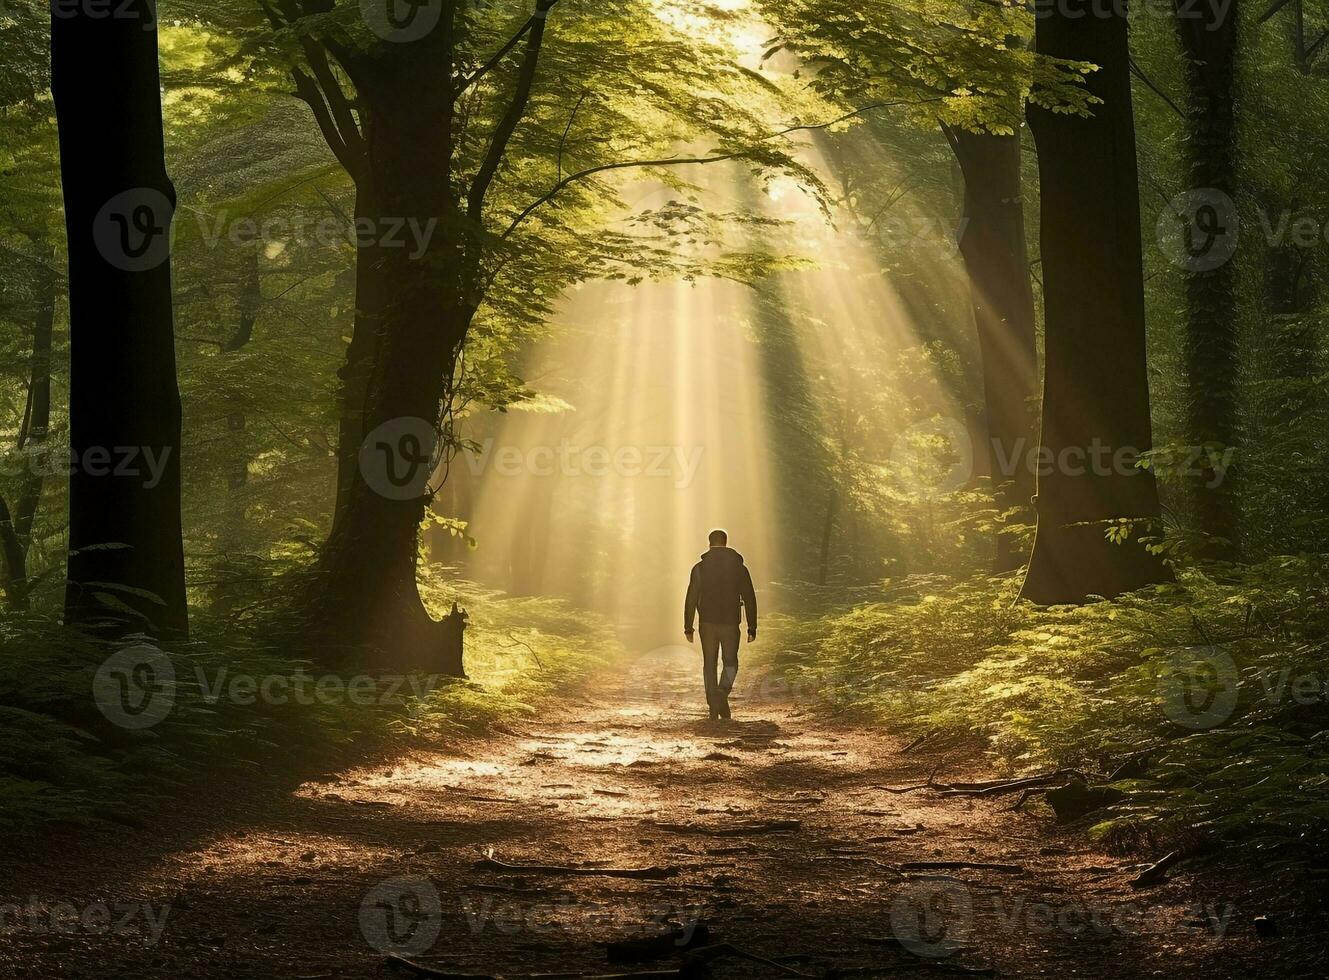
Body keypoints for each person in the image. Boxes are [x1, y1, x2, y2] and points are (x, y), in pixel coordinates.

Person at [683, 529, 757, 721]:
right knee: (731, 661)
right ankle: (721, 695)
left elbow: (691, 597)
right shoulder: (739, 568)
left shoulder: (699, 568)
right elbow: (749, 597)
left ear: (709, 543)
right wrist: (752, 626)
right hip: (731, 622)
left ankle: (713, 703)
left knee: (709, 663)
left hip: (707, 623)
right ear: (726, 543)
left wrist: (688, 626)